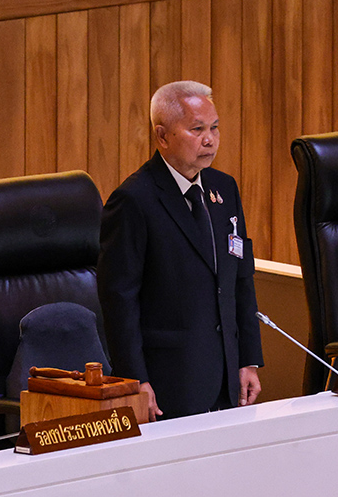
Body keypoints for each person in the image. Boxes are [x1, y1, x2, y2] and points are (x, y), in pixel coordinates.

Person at [97, 80, 263, 421]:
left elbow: (240, 280)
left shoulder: (224, 189)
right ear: (162, 136)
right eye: (197, 129)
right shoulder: (133, 200)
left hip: (227, 377)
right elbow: (119, 301)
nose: (210, 139)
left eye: (214, 128)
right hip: (169, 380)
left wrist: (248, 358)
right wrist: (135, 380)